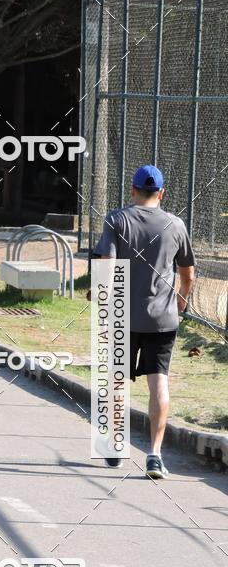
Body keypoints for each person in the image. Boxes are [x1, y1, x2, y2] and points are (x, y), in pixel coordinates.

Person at [94, 164, 195, 479]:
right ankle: (154, 455)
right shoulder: (175, 225)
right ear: (162, 193)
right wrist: (181, 298)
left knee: (117, 380)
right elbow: (188, 273)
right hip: (163, 319)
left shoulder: (117, 219)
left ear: (132, 190)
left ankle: (115, 445)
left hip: (122, 315)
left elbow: (107, 266)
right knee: (159, 382)